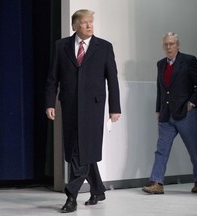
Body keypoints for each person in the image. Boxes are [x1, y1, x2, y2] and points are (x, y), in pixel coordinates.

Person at [45, 9, 121, 213]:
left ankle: (71, 196)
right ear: (74, 26)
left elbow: (112, 79)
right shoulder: (61, 46)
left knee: (82, 150)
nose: (89, 26)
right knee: (77, 150)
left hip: (94, 108)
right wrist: (50, 103)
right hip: (69, 106)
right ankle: (98, 189)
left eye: (91, 22)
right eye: (84, 22)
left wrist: (115, 108)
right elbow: (53, 78)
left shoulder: (104, 47)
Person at [142, 32, 197, 194]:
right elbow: (160, 89)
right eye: (166, 44)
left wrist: (192, 103)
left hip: (186, 114)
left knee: (194, 150)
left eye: (172, 44)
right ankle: (157, 183)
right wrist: (158, 109)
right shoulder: (160, 64)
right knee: (161, 150)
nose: (169, 47)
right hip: (166, 114)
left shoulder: (188, 60)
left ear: (178, 45)